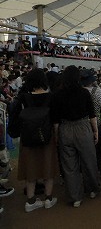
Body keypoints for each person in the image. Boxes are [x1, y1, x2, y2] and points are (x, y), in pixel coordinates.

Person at [51, 65, 100, 207]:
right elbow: (92, 115)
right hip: (83, 128)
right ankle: (92, 190)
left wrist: (56, 136)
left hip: (65, 129)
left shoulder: (57, 95)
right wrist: (95, 131)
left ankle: (75, 197)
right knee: (89, 160)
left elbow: (55, 120)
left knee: (69, 166)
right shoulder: (85, 93)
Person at [13, 69, 58, 212]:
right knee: (48, 166)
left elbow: (15, 115)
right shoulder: (51, 97)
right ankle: (48, 199)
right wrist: (56, 137)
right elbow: (55, 121)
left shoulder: (23, 97)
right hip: (47, 136)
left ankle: (31, 201)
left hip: (28, 137)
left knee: (30, 167)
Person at [80, 69, 101, 180]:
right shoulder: (97, 91)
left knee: (86, 153)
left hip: (82, 125)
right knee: (100, 151)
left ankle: (89, 176)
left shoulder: (79, 90)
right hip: (96, 124)